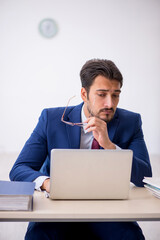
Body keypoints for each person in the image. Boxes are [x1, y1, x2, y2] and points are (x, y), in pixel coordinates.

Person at [10, 59, 152, 240]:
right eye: (102, 94)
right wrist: (48, 183)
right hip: (59, 209)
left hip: (109, 210)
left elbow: (145, 177)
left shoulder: (131, 122)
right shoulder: (51, 119)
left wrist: (110, 146)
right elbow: (19, 169)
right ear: (84, 94)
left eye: (116, 95)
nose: (110, 103)